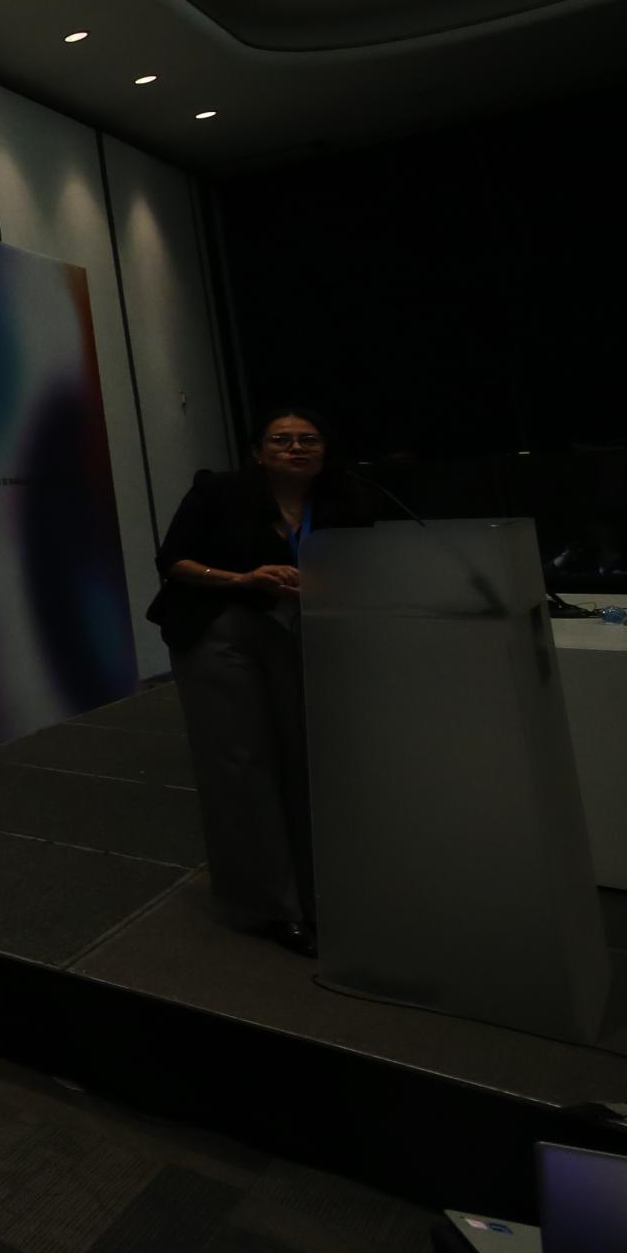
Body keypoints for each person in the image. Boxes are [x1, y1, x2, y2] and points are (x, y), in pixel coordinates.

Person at [147, 404, 358, 956]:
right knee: (241, 765)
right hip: (221, 631)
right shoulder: (218, 492)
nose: (296, 447)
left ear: (326, 451)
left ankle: (319, 890)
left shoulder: (343, 501)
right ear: (258, 452)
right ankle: (272, 906)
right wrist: (242, 578)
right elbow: (172, 561)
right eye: (281, 439)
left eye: (308, 438)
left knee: (305, 761)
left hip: (305, 636)